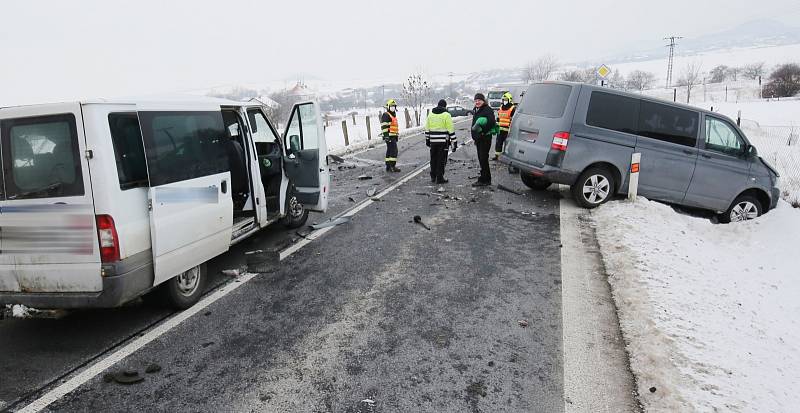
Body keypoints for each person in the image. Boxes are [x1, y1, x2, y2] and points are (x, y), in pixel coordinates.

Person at [425, 99, 455, 184]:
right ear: (445, 106)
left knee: (433, 158)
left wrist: (427, 139)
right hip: (443, 141)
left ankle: (433, 176)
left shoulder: (430, 114)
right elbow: (450, 129)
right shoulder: (446, 115)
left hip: (433, 141)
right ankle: (440, 178)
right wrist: (454, 141)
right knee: (441, 159)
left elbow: (427, 128)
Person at [471, 93, 497, 187]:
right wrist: (475, 137)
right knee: (482, 159)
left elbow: (491, 122)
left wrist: (482, 132)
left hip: (485, 138)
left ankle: (485, 179)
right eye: (476, 100)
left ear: (483, 101)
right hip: (479, 139)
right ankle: (485, 178)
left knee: (483, 158)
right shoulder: (477, 110)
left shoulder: (487, 110)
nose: (477, 102)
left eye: (479, 100)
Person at [493, 92, 516, 160]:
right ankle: (497, 156)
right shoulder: (501, 107)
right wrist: (496, 127)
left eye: (506, 99)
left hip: (508, 130)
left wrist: (511, 129)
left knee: (508, 144)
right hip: (500, 130)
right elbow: (498, 118)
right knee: (498, 143)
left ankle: (508, 157)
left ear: (509, 100)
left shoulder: (512, 108)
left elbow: (514, 120)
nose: (504, 101)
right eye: (503, 99)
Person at [381, 99, 401, 172]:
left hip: (393, 136)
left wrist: (396, 136)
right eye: (391, 106)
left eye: (394, 106)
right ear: (388, 107)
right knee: (394, 151)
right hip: (389, 136)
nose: (393, 107)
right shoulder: (386, 115)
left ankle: (389, 166)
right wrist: (386, 136)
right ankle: (392, 166)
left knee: (390, 151)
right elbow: (384, 126)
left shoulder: (393, 115)